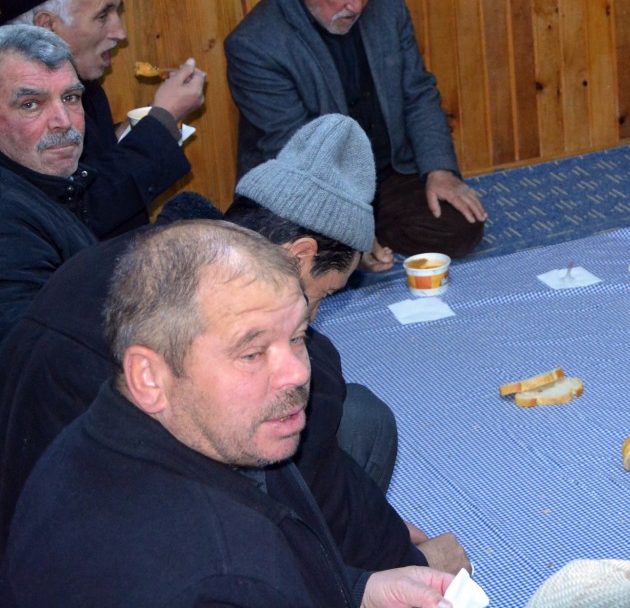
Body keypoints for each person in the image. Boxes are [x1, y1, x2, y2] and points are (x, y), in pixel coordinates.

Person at [0, 116, 468, 573]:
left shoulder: (133, 256)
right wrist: (409, 565)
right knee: (347, 419)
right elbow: (313, 487)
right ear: (299, 255)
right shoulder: (265, 350)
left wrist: (386, 529)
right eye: (324, 294)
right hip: (117, 559)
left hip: (30, 521)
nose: (316, 318)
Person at [3, 222, 455, 605]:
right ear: (149, 376)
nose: (297, 374)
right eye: (252, 353)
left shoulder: (129, 431)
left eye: (297, 337)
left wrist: (358, 590)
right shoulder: (221, 576)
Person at [225, 0, 486, 266]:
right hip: (307, 186)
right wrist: (348, 227)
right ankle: (355, 243)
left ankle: (365, 240)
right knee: (300, 253)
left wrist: (439, 171)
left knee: (460, 226)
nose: (357, 5)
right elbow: (291, 151)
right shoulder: (257, 43)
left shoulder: (388, 3)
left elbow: (418, 92)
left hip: (385, 174)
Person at [0, 0, 206, 238]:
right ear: (47, 26)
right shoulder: (9, 99)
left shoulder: (85, 80)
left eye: (117, 12)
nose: (120, 32)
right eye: (102, 15)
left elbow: (91, 168)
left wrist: (128, 131)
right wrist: (163, 120)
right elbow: (82, 210)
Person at [0, 25, 98, 334]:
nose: (63, 122)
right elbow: (26, 356)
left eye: (70, 98)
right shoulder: (7, 218)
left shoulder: (49, 187)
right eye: (31, 104)